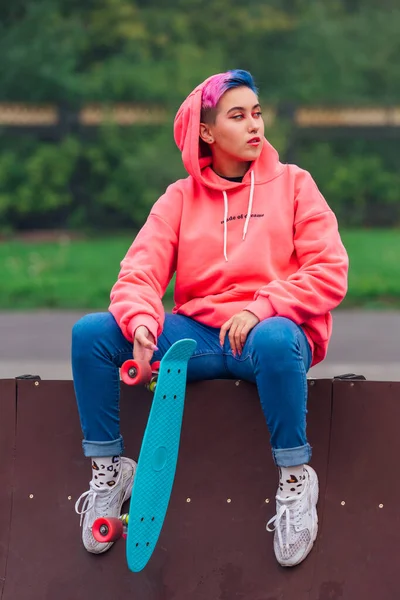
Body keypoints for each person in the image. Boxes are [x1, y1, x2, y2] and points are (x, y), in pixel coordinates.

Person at [72, 70, 348, 567]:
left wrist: (261, 306)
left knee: (279, 337)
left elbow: (329, 272)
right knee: (92, 334)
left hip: (266, 338)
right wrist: (140, 323)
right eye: (238, 116)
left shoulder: (295, 186)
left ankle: (294, 480)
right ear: (206, 132)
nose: (254, 126)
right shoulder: (179, 198)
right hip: (196, 339)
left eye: (257, 113)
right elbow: (138, 271)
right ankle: (111, 470)